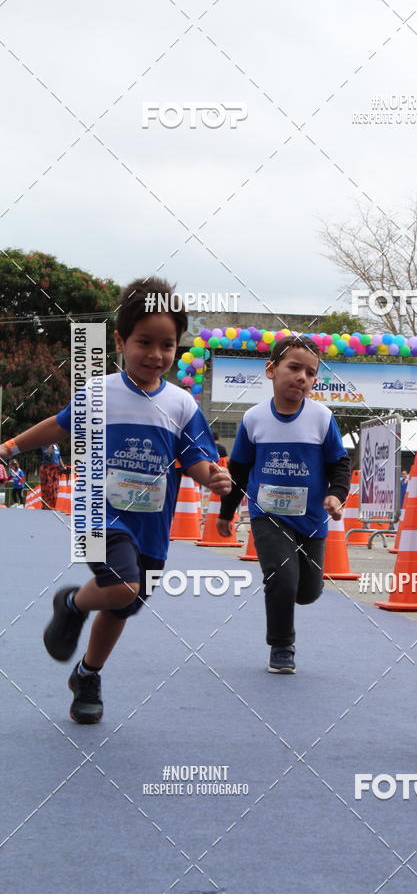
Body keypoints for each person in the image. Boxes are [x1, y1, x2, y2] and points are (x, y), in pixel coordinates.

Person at [0, 277, 231, 724]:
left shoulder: (182, 405)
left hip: (151, 527)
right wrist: (10, 446)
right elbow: (58, 425)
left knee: (124, 603)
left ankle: (87, 674)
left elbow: (196, 460)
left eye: (167, 345)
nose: (156, 355)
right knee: (122, 584)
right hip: (98, 515)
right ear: (121, 341)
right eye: (144, 342)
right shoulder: (100, 392)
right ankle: (70, 605)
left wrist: (213, 480)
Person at [217, 335, 351, 673]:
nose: (302, 377)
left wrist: (336, 494)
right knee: (281, 576)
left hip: (311, 518)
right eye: (294, 368)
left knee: (307, 591)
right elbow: (239, 471)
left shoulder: (322, 417)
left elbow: (340, 463)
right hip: (268, 513)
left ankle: (288, 596)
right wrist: (227, 513)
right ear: (271, 370)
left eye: (310, 372)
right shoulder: (254, 419)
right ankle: (282, 646)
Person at [39, 443, 66, 509]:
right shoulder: (44, 445)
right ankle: (46, 505)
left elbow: (59, 457)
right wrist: (50, 445)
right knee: (47, 488)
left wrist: (62, 465)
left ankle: (52, 505)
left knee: (55, 488)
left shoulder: (57, 446)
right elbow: (47, 454)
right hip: (47, 469)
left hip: (55, 469)